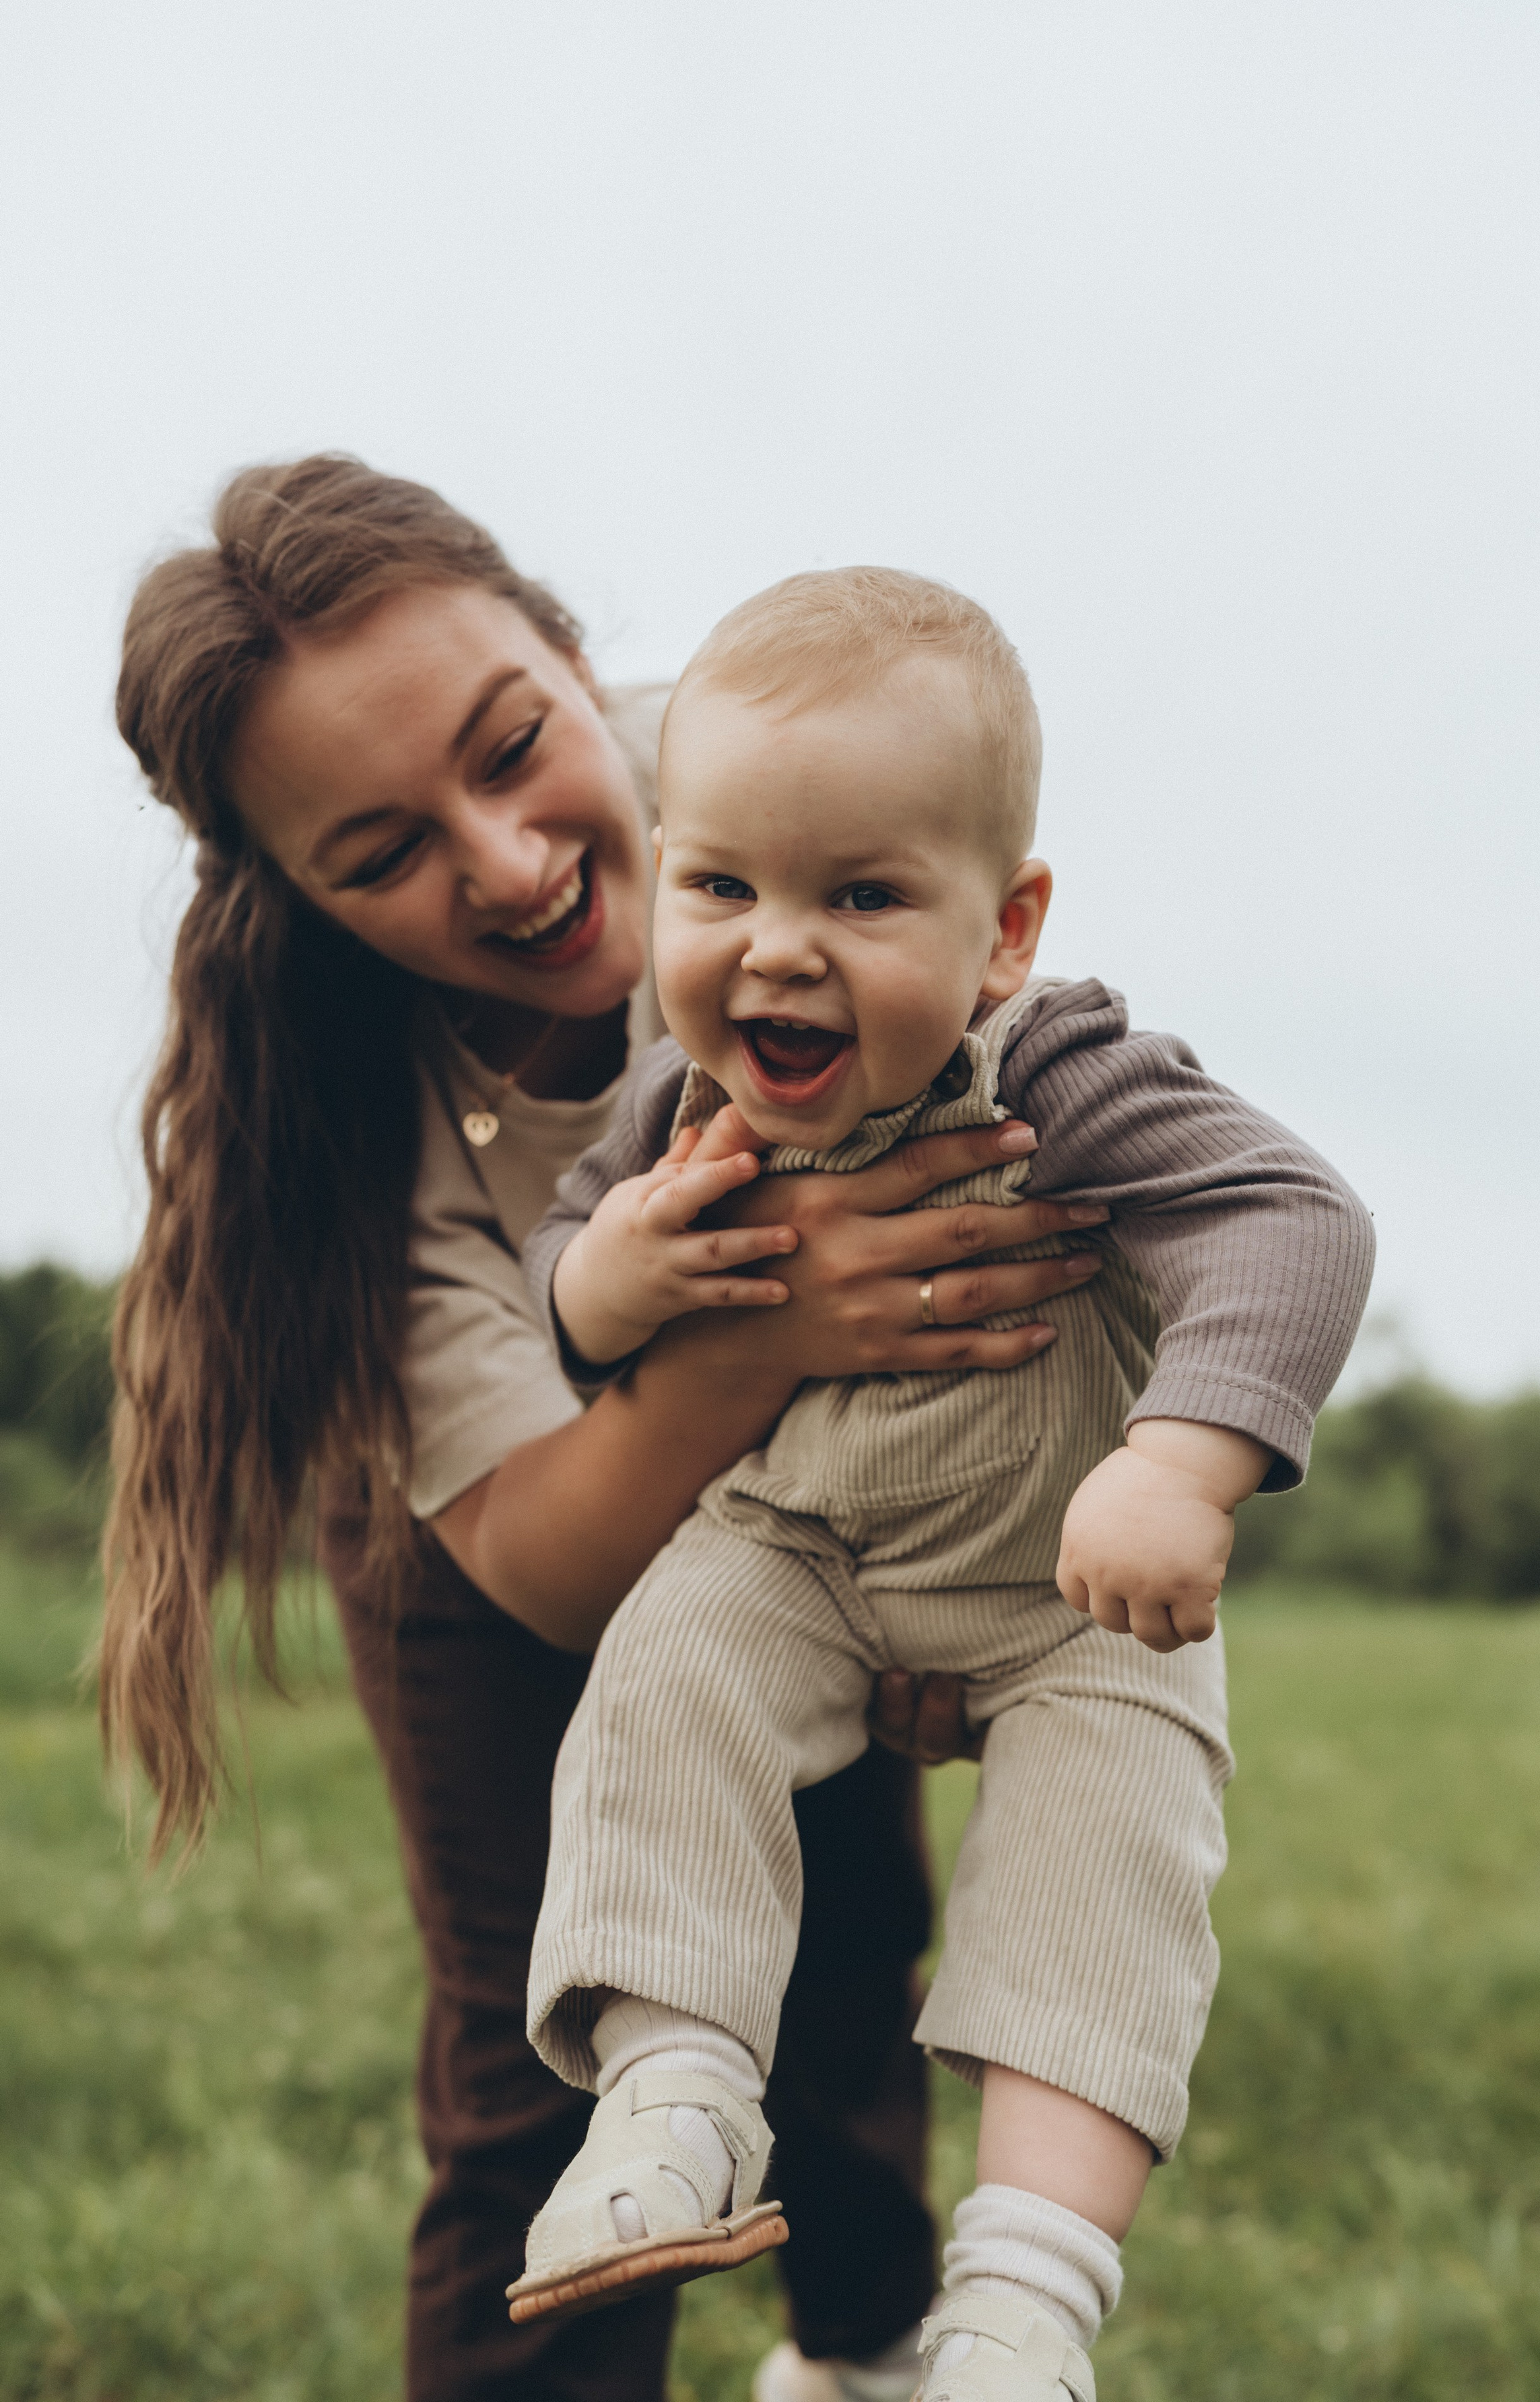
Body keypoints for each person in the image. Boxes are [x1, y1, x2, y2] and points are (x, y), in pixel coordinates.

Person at [97, 462, 1113, 2402]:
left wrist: (953, 1596)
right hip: (489, 1533)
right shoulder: (337, 1114)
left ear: (575, 658)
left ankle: (866, 2356)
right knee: (548, 2037)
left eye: (512, 746)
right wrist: (775, 1323)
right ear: (297, 893)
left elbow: (1019, 1180)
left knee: (831, 1955)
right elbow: (547, 1562)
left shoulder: (784, 777)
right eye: (380, 851)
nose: (500, 864)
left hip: (827, 1491)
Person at [508, 569, 1375, 2402]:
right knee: (664, 1682)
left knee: (1104, 1859)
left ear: (1005, 928)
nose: (776, 948)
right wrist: (623, 1278)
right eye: (723, 883)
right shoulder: (674, 1111)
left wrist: (1179, 1460)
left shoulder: (1061, 1069)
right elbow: (568, 1294)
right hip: (799, 1560)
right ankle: (673, 2101)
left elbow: (1291, 1222)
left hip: (1073, 1593)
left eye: (864, 894)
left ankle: (1022, 2306)